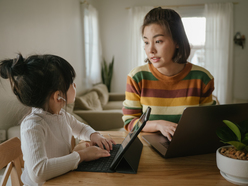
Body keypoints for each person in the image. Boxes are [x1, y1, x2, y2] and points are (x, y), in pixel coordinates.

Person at [0, 54, 115, 186]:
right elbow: (38, 172)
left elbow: (82, 128)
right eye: (71, 82)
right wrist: (82, 155)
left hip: (61, 179)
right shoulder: (33, 125)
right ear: (58, 96)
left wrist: (94, 135)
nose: (75, 85)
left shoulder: (60, 115)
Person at [123, 7, 215, 141]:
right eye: (146, 42)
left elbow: (208, 122)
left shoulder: (202, 78)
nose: (150, 50)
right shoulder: (136, 77)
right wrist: (158, 124)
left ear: (177, 41)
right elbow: (129, 123)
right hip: (147, 148)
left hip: (187, 146)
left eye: (158, 41)